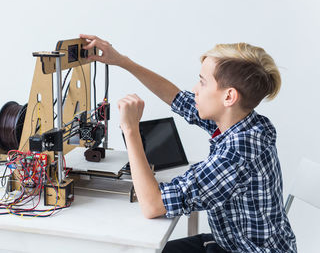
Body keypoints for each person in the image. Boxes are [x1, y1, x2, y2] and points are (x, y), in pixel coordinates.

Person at [79, 34, 297, 253]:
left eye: (202, 82)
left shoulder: (237, 154)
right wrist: (122, 61)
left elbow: (153, 205)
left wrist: (130, 129)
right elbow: (176, 98)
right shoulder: (247, 123)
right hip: (234, 243)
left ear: (229, 97)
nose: (195, 89)